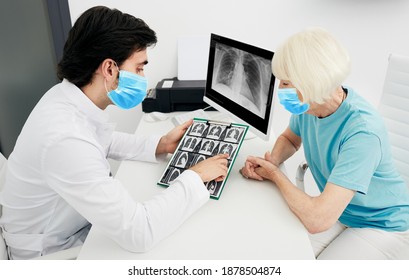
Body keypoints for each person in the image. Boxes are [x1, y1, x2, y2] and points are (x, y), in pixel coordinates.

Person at [0, 6, 228, 260]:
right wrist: (194, 177)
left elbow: (100, 140)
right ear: (109, 69)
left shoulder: (65, 97)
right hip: (49, 253)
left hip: (69, 226)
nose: (143, 77)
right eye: (139, 68)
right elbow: (139, 232)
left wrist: (160, 145)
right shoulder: (65, 136)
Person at [240, 27, 409, 259]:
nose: (280, 90)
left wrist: (275, 175)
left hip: (381, 223)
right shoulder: (309, 105)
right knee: (279, 251)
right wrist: (272, 160)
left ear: (311, 82)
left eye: (287, 83)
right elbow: (290, 138)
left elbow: (317, 219)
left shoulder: (363, 134)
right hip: (341, 211)